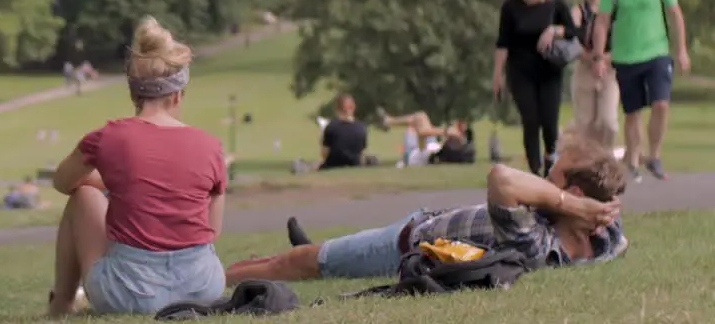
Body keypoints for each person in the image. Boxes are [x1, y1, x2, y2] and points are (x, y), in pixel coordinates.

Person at [225, 135, 629, 285]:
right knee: (319, 257)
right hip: (428, 219)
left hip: (408, 246)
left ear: (574, 194)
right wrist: (587, 210)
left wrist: (570, 205)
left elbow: (502, 179)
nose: (542, 180)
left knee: (301, 261)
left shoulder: (537, 243)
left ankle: (213, 283)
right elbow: (619, 242)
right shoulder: (605, 235)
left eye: (551, 177)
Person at [47, 16, 227, 317]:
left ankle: (62, 302)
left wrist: (110, 181)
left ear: (133, 92)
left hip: (130, 293)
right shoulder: (211, 146)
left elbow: (63, 182)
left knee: (84, 195)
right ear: (178, 94)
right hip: (203, 287)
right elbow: (212, 230)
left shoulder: (107, 138)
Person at [591, 0, 690, 182]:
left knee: (661, 104)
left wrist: (681, 50)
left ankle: (654, 156)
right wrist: (599, 56)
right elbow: (602, 22)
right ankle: (633, 157)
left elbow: (675, 14)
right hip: (625, 57)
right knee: (632, 112)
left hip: (657, 53)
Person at [493, 0, 579, 176]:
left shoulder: (555, 3)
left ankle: (551, 160)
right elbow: (503, 43)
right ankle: (534, 167)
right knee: (530, 119)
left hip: (549, 70)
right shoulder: (511, 6)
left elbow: (573, 31)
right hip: (521, 71)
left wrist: (554, 30)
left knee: (549, 122)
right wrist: (498, 75)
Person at [570, 0, 619, 149]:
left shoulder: (615, 10)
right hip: (585, 68)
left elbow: (624, 40)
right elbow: (572, 37)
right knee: (585, 123)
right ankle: (589, 163)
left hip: (610, 69)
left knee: (608, 123)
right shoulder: (579, 11)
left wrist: (603, 59)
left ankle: (604, 156)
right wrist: (591, 58)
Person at [377, 110, 472, 166]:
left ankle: (389, 121)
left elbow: (422, 133)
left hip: (413, 151)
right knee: (419, 119)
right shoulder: (440, 149)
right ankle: (389, 121)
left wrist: (446, 131)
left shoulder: (426, 155)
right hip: (431, 145)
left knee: (419, 119)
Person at [317, 95, 368, 170]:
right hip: (355, 165)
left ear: (337, 109)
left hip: (332, 165)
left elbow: (324, 154)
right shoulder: (362, 128)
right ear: (353, 108)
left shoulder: (331, 127)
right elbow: (361, 153)